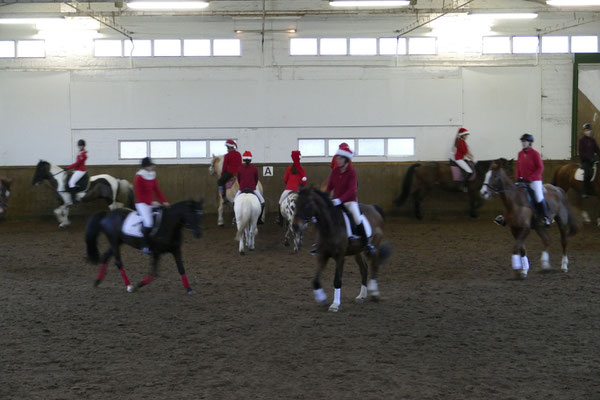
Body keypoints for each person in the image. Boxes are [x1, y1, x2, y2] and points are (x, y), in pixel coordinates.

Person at [325, 142, 376, 255]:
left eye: (340, 158)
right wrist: (324, 198)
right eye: (337, 158)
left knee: (356, 217)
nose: (337, 160)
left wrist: (340, 200)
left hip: (349, 201)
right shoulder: (335, 171)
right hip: (335, 200)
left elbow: (351, 190)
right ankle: (322, 243)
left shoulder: (352, 172)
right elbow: (329, 187)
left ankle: (367, 243)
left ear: (346, 160)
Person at [134, 157, 169, 255]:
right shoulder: (139, 177)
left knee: (160, 217)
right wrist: (151, 202)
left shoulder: (152, 175)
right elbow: (139, 194)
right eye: (150, 165)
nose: (153, 166)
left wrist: (164, 201)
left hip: (150, 202)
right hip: (141, 203)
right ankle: (144, 246)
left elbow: (157, 190)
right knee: (149, 223)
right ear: (146, 166)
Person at [516, 133, 551, 227]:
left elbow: (540, 168)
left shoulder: (535, 154)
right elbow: (518, 168)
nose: (523, 143)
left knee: (539, 196)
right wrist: (518, 178)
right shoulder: (520, 154)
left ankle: (545, 217)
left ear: (530, 143)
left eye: (525, 141)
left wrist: (531, 178)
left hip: (535, 180)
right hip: (523, 181)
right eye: (522, 141)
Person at [276, 150, 307, 225]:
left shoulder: (289, 168)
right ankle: (305, 218)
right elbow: (304, 181)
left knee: (280, 202)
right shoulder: (302, 169)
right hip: (298, 190)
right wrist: (301, 186)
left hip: (288, 189)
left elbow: (285, 180)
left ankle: (280, 219)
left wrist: (289, 185)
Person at [234, 150, 265, 225]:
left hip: (241, 189)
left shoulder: (239, 168)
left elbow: (238, 179)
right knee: (262, 201)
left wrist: (242, 185)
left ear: (243, 159)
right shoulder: (254, 168)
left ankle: (236, 218)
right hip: (253, 189)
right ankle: (259, 219)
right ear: (250, 159)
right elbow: (256, 179)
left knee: (234, 201)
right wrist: (252, 185)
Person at [578, 122, 600, 198]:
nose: (587, 132)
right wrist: (590, 159)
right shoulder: (581, 141)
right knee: (588, 173)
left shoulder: (592, 140)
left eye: (589, 130)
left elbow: (597, 150)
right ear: (584, 131)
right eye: (586, 130)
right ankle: (584, 191)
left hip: (593, 161)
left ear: (591, 131)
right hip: (585, 161)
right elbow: (582, 153)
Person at [217, 139, 242, 204]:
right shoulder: (239, 154)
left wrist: (222, 174)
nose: (227, 149)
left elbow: (224, 167)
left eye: (227, 147)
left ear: (229, 147)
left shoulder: (227, 155)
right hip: (239, 173)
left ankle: (224, 197)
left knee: (220, 181)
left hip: (231, 173)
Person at [64, 139, 87, 204]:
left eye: (81, 146)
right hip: (77, 170)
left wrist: (68, 167)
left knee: (71, 182)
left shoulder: (83, 154)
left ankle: (73, 200)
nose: (80, 147)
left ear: (84, 146)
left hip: (81, 171)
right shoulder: (80, 153)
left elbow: (77, 163)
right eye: (79, 145)